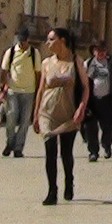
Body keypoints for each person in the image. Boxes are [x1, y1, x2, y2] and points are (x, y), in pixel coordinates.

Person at [32, 28, 87, 205]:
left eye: (51, 39)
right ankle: (51, 191)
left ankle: (69, 181)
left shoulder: (76, 61)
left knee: (66, 152)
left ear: (62, 40)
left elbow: (86, 87)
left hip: (68, 112)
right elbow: (41, 89)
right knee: (49, 152)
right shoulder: (47, 63)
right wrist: (35, 114)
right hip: (47, 112)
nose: (47, 43)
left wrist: (81, 107)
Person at [0, 31, 40, 158]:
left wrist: (38, 91)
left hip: (29, 91)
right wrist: (2, 89)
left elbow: (38, 73)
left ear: (28, 39)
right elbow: (4, 71)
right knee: (11, 117)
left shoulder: (34, 53)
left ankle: (18, 147)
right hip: (13, 90)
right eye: (20, 40)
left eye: (23, 40)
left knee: (24, 121)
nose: (21, 43)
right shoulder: (11, 52)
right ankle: (10, 142)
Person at [81, 43, 112, 162]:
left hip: (106, 99)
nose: (101, 52)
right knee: (90, 127)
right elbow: (83, 81)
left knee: (108, 127)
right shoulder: (87, 63)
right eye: (98, 50)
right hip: (91, 100)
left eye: (103, 50)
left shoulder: (111, 64)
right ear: (93, 51)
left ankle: (106, 145)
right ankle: (93, 152)